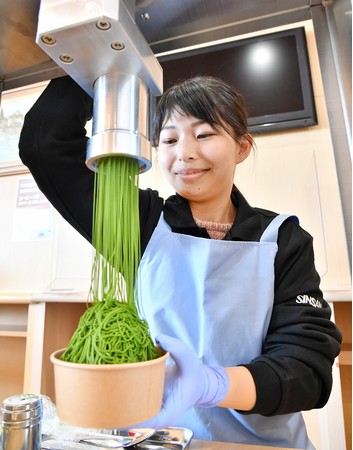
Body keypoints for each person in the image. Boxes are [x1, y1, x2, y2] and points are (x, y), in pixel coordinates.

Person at [19, 75, 341, 449]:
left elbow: (307, 371)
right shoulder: (139, 222)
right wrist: (98, 63)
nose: (184, 153)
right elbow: (45, 146)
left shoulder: (282, 240)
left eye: (203, 135)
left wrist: (211, 384)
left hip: (260, 443)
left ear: (242, 147)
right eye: (170, 140)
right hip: (158, 439)